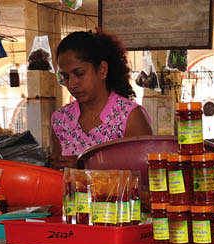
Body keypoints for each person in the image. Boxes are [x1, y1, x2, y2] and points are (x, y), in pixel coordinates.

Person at [49, 30, 153, 167]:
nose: (72, 84)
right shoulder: (60, 120)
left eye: (79, 74)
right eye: (66, 77)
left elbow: (145, 173)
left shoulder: (129, 116)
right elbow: (57, 175)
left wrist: (86, 166)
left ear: (102, 70)